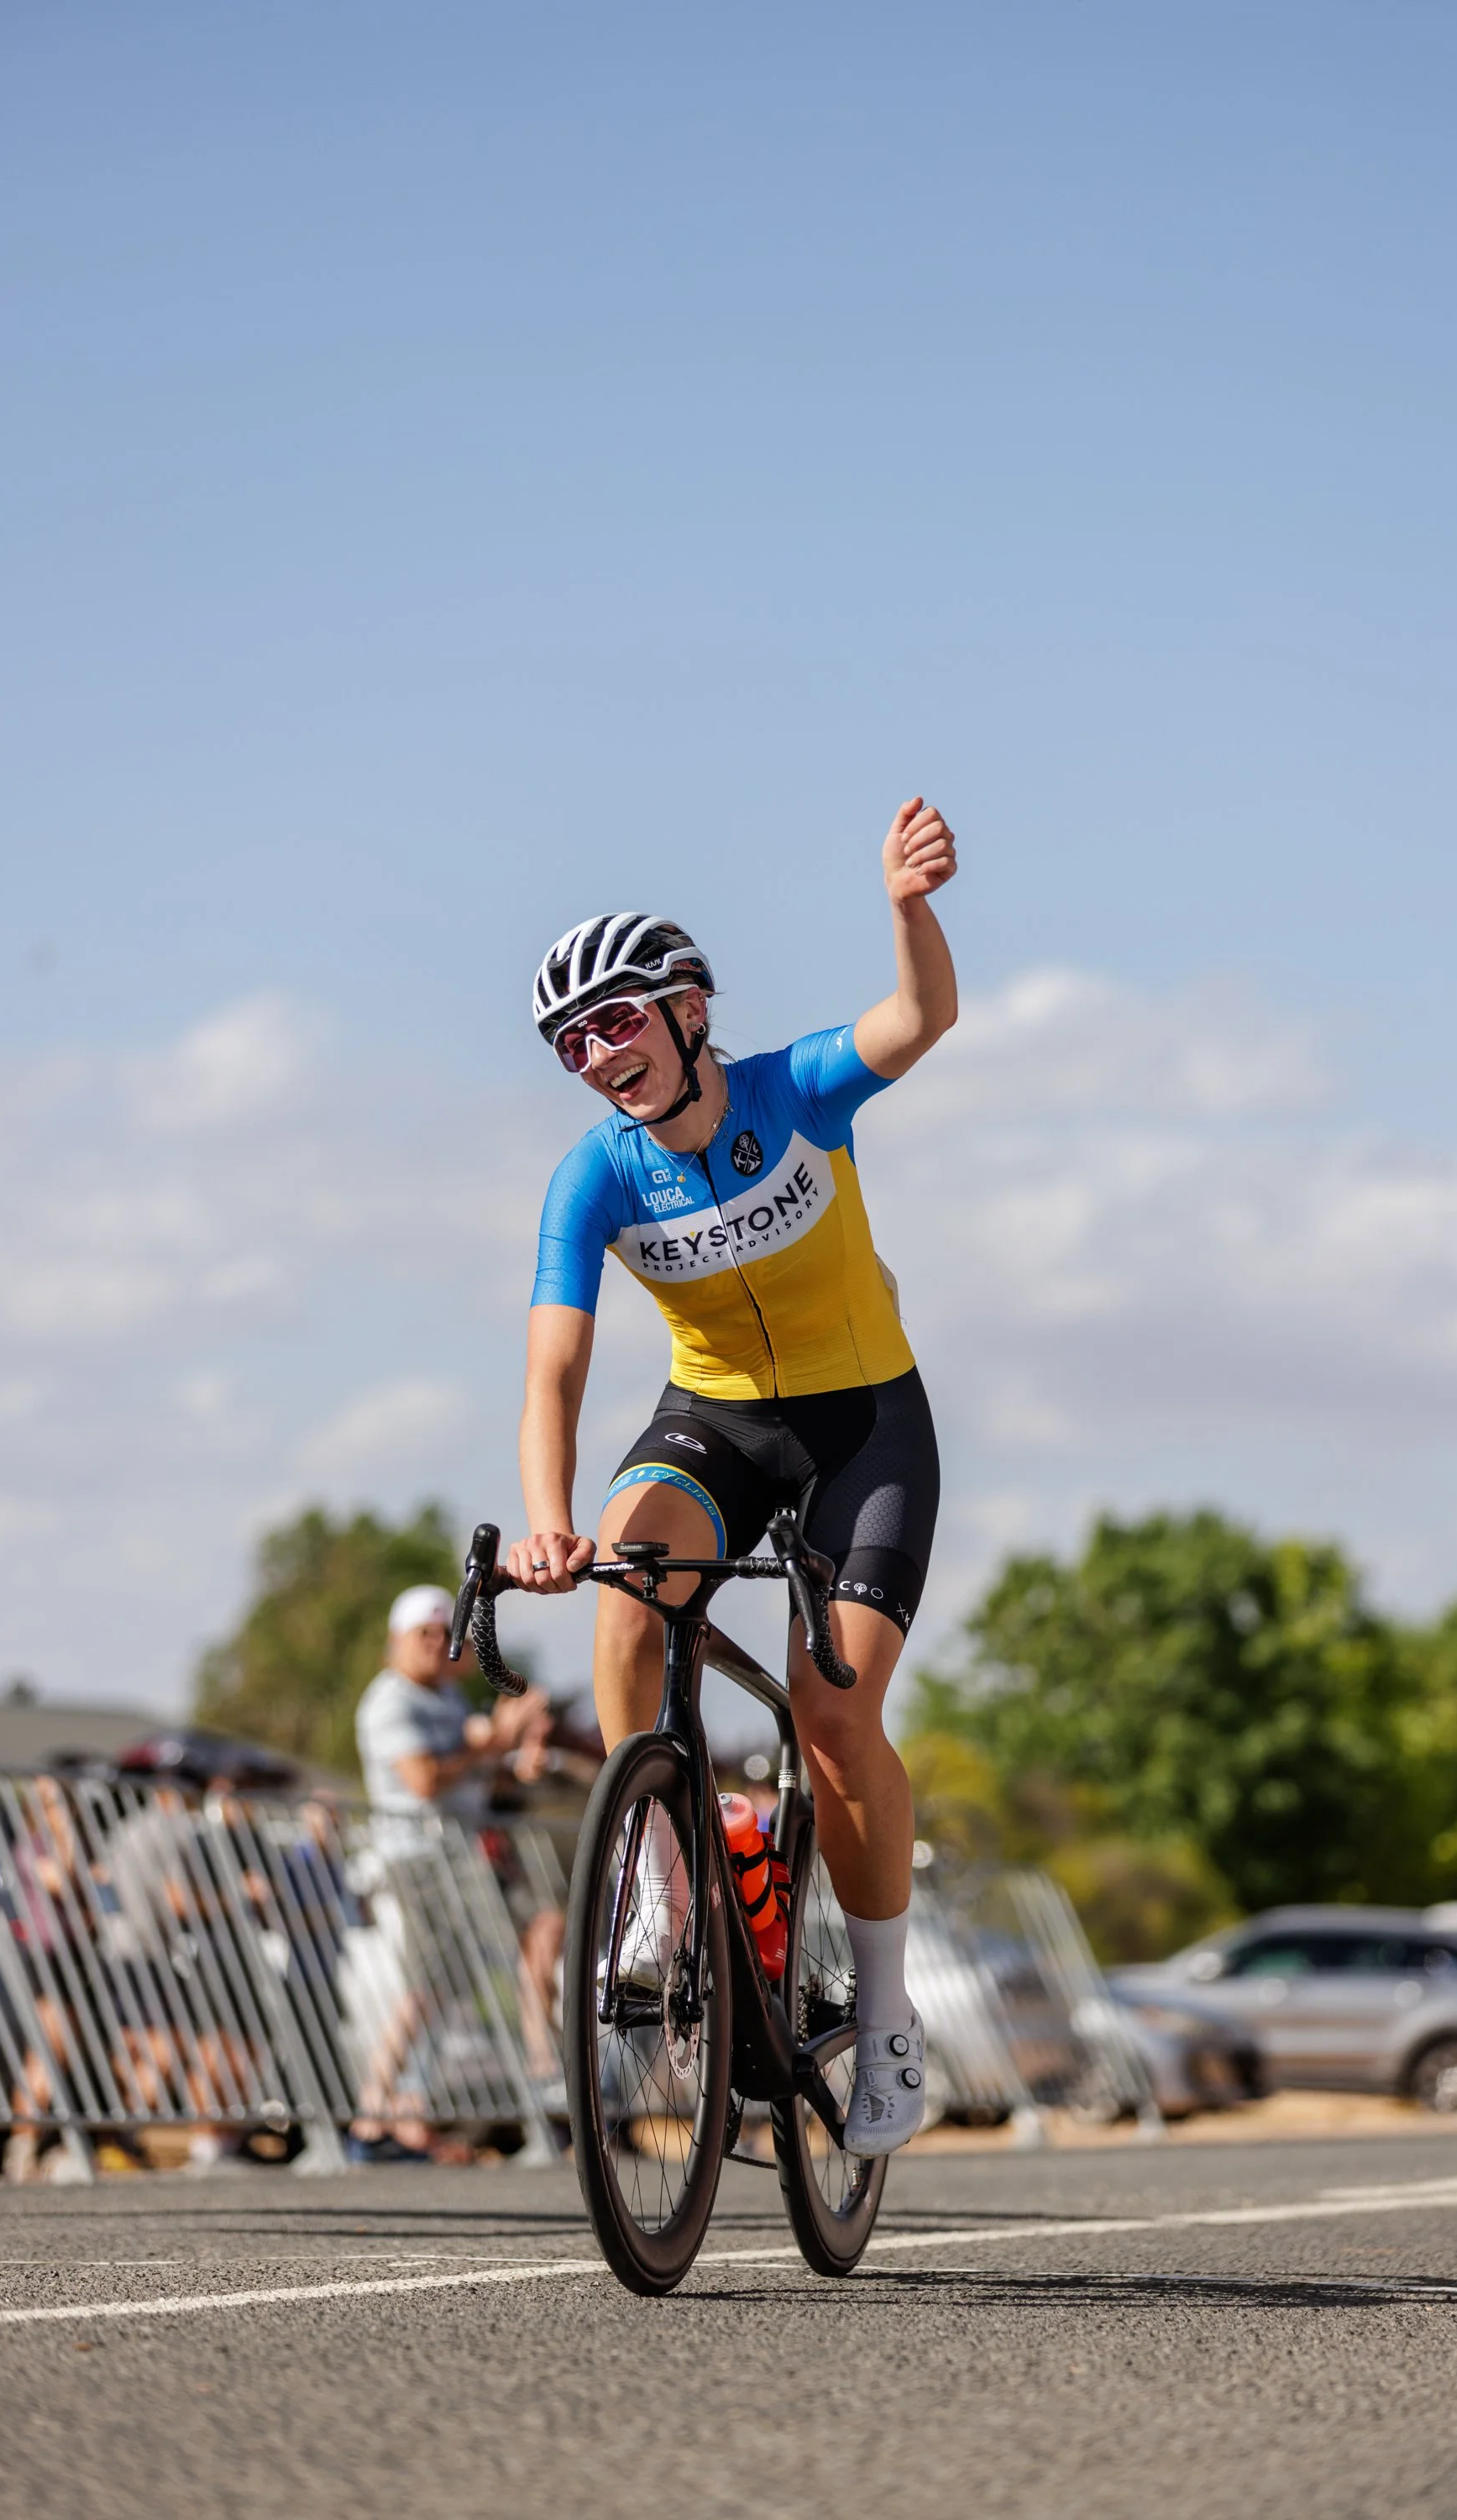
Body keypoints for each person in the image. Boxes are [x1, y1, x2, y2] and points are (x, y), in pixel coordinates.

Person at [509, 795, 956, 2155]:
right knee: (626, 1593)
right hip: (714, 1420)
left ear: (688, 1009)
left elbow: (919, 1018)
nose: (597, 1055)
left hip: (862, 1427)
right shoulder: (595, 1177)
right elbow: (554, 1374)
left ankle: (886, 2017)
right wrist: (547, 1524)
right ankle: (661, 1878)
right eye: (571, 1042)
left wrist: (905, 910)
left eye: (616, 1022)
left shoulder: (793, 1091)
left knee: (832, 1713)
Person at [350, 1584, 559, 2160]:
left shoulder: (446, 1696)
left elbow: (477, 1769)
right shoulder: (389, 1701)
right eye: (425, 1633)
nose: (436, 1643)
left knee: (532, 1935)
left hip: (461, 1852)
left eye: (445, 1634)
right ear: (397, 1640)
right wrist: (495, 1743)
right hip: (419, 1857)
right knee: (430, 1986)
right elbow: (424, 1780)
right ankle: (374, 2113)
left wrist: (517, 1757)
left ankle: (543, 2075)